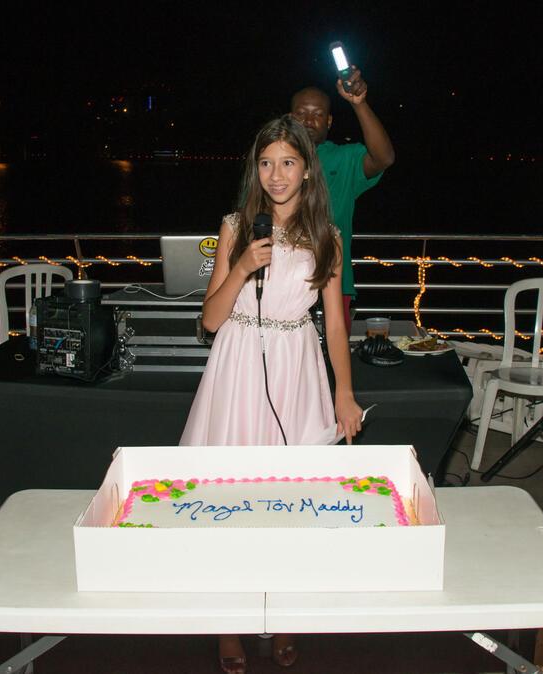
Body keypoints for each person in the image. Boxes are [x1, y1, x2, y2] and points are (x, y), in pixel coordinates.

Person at [180, 114, 363, 673]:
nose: (276, 175)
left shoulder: (326, 237)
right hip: (237, 367)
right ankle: (228, 626)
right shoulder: (237, 225)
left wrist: (345, 394)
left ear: (308, 170)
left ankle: (284, 614)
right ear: (255, 171)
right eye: (266, 163)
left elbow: (334, 325)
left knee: (293, 501)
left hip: (297, 367)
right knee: (230, 501)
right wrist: (240, 267)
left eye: (287, 162)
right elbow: (210, 320)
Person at [291, 69, 395, 334]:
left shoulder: (344, 158)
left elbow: (384, 158)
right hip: (282, 281)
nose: (309, 121)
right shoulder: (273, 163)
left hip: (334, 281)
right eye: (301, 113)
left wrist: (358, 104)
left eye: (317, 114)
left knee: (333, 360)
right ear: (291, 119)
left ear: (329, 121)